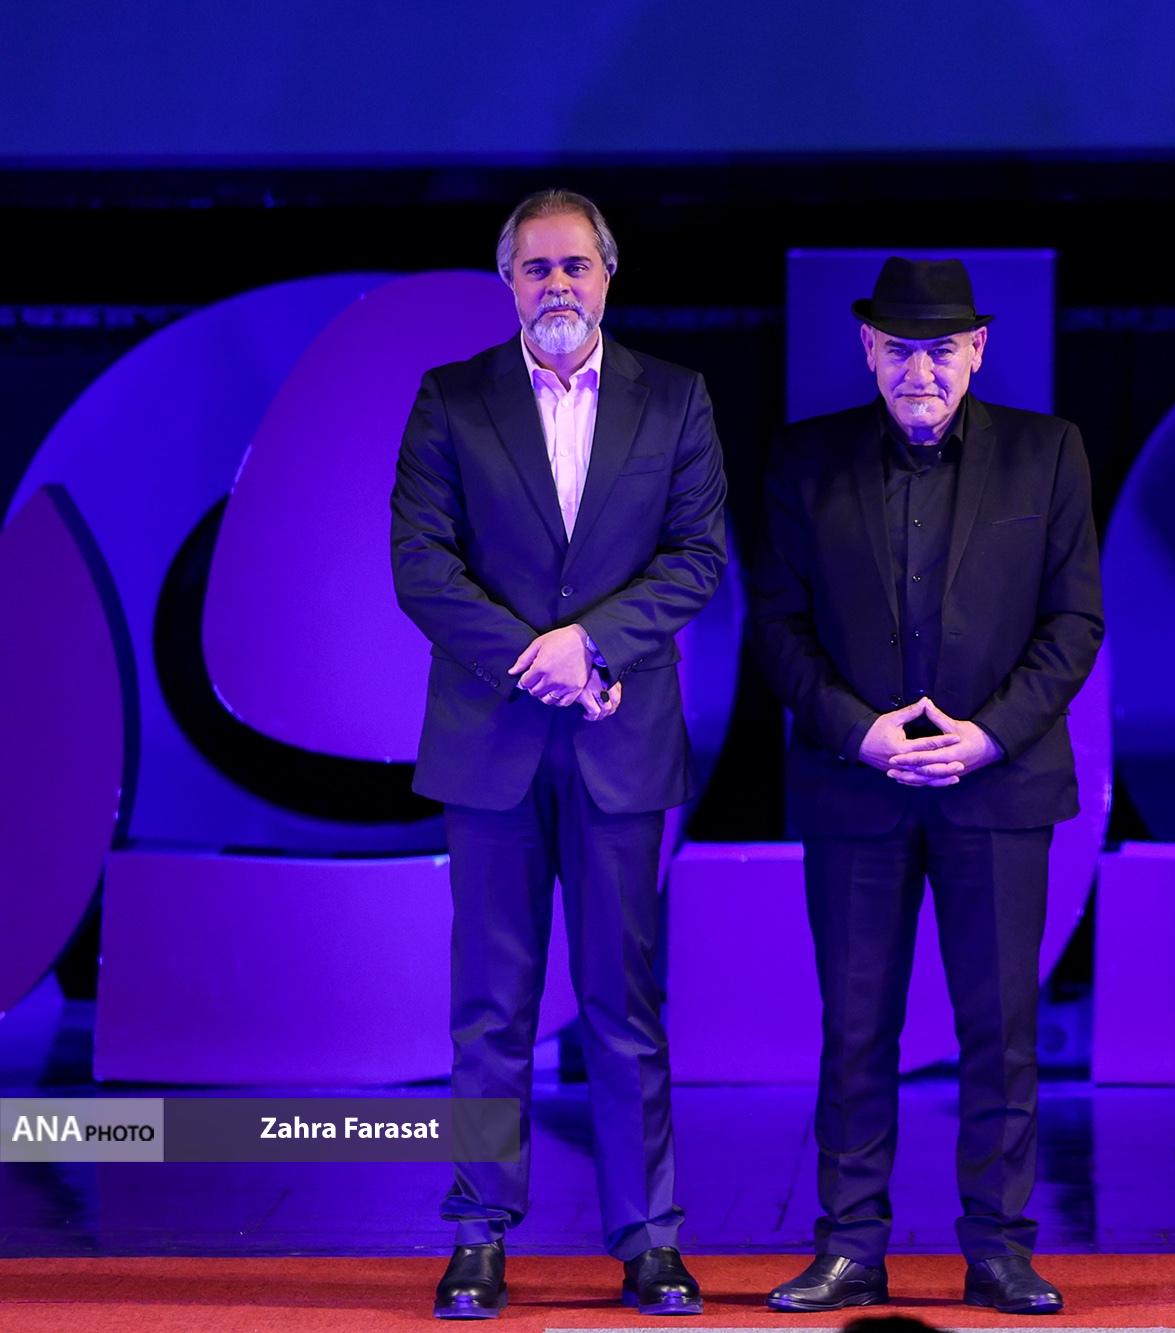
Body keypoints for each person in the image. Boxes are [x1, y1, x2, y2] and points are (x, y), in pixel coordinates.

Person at [390, 189, 726, 1319]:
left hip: (619, 741)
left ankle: (649, 1239)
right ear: (508, 283)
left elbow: (696, 556)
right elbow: (422, 564)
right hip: (489, 745)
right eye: (535, 268)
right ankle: (477, 1233)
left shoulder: (674, 399)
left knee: (624, 1001)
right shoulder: (451, 399)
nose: (557, 286)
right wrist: (534, 660)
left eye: (575, 265)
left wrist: (592, 643)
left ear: (608, 275)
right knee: (490, 1004)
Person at [751, 257, 1101, 1315]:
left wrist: (986, 737)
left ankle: (998, 1249)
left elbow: (1073, 621)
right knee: (856, 1029)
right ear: (868, 348)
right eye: (900, 349)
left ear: (977, 349)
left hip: (996, 787)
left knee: (999, 1030)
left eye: (941, 349)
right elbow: (778, 628)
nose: (920, 370)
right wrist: (858, 733)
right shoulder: (803, 460)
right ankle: (849, 1246)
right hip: (855, 787)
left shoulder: (1048, 452)